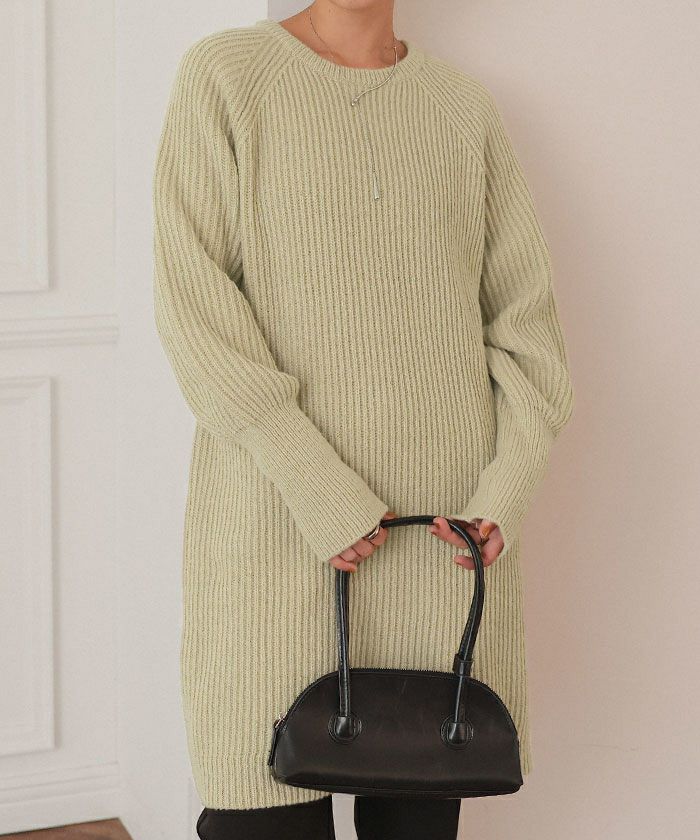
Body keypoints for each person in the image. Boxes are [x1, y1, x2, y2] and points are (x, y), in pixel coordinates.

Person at [152, 1, 574, 837]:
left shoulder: (462, 107)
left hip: (442, 541)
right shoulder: (226, 76)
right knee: (258, 812)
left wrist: (505, 491)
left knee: (415, 818)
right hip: (276, 521)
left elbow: (527, 330)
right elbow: (195, 309)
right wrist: (315, 483)